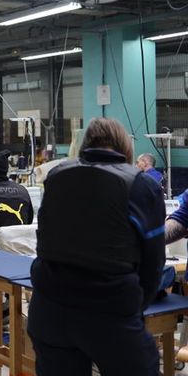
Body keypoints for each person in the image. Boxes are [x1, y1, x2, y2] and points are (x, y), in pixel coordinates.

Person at [28, 118, 165, 376]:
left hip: (49, 307)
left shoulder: (56, 176)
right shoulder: (141, 185)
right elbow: (153, 262)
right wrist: (134, 307)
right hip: (110, 311)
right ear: (125, 145)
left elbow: (43, 240)